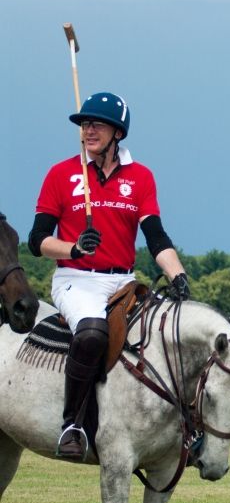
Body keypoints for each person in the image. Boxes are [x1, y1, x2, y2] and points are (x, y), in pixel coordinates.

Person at [29, 91, 191, 460]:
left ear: (118, 132)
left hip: (123, 282)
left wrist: (178, 275)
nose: (88, 130)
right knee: (91, 333)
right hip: (76, 279)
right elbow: (37, 240)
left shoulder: (141, 177)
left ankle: (181, 428)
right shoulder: (61, 173)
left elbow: (156, 237)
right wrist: (73, 248)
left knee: (169, 332)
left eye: (97, 125)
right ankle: (72, 425)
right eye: (84, 124)